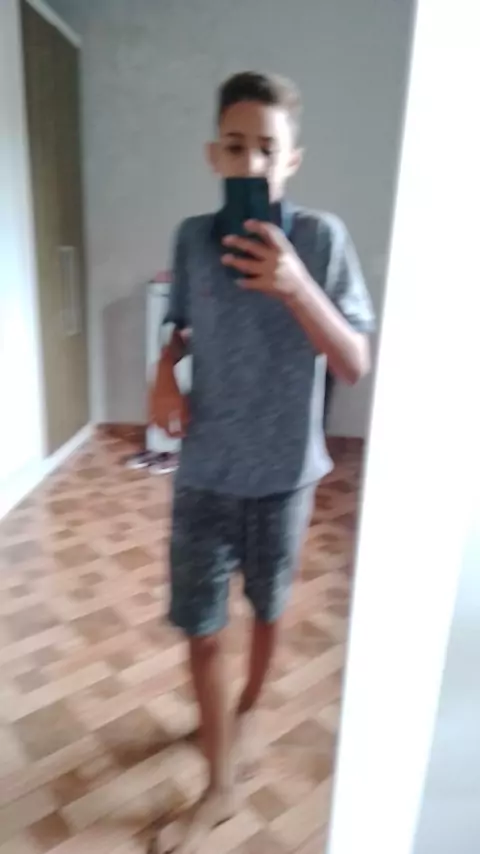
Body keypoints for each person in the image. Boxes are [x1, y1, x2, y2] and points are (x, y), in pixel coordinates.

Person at [149, 71, 375, 853]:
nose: (252, 162)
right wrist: (162, 377)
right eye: (236, 146)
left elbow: (353, 363)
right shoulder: (190, 239)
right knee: (202, 627)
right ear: (214, 154)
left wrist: (296, 286)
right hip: (204, 471)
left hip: (284, 475)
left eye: (268, 149)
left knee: (269, 607)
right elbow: (179, 328)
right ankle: (218, 787)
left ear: (292, 160)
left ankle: (244, 712)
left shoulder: (321, 240)